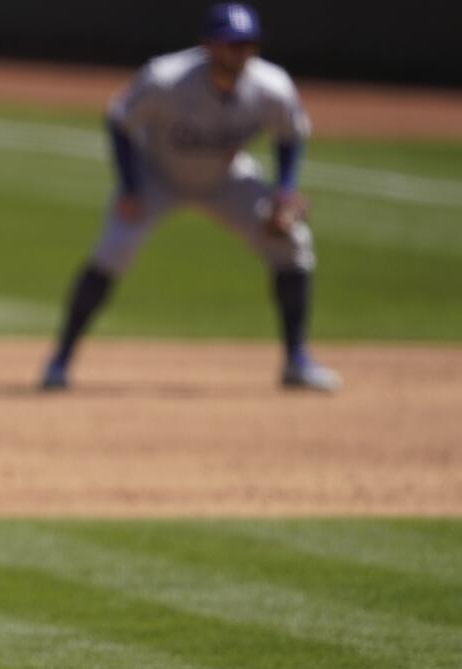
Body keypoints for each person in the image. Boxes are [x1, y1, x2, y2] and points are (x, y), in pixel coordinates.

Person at [41, 2, 340, 392]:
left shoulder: (272, 86)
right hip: (156, 176)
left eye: (247, 44)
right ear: (208, 45)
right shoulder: (166, 78)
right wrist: (130, 187)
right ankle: (60, 361)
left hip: (225, 178)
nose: (239, 52)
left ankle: (297, 362)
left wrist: (283, 191)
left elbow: (290, 135)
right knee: (112, 251)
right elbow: (120, 120)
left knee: (294, 247)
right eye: (231, 43)